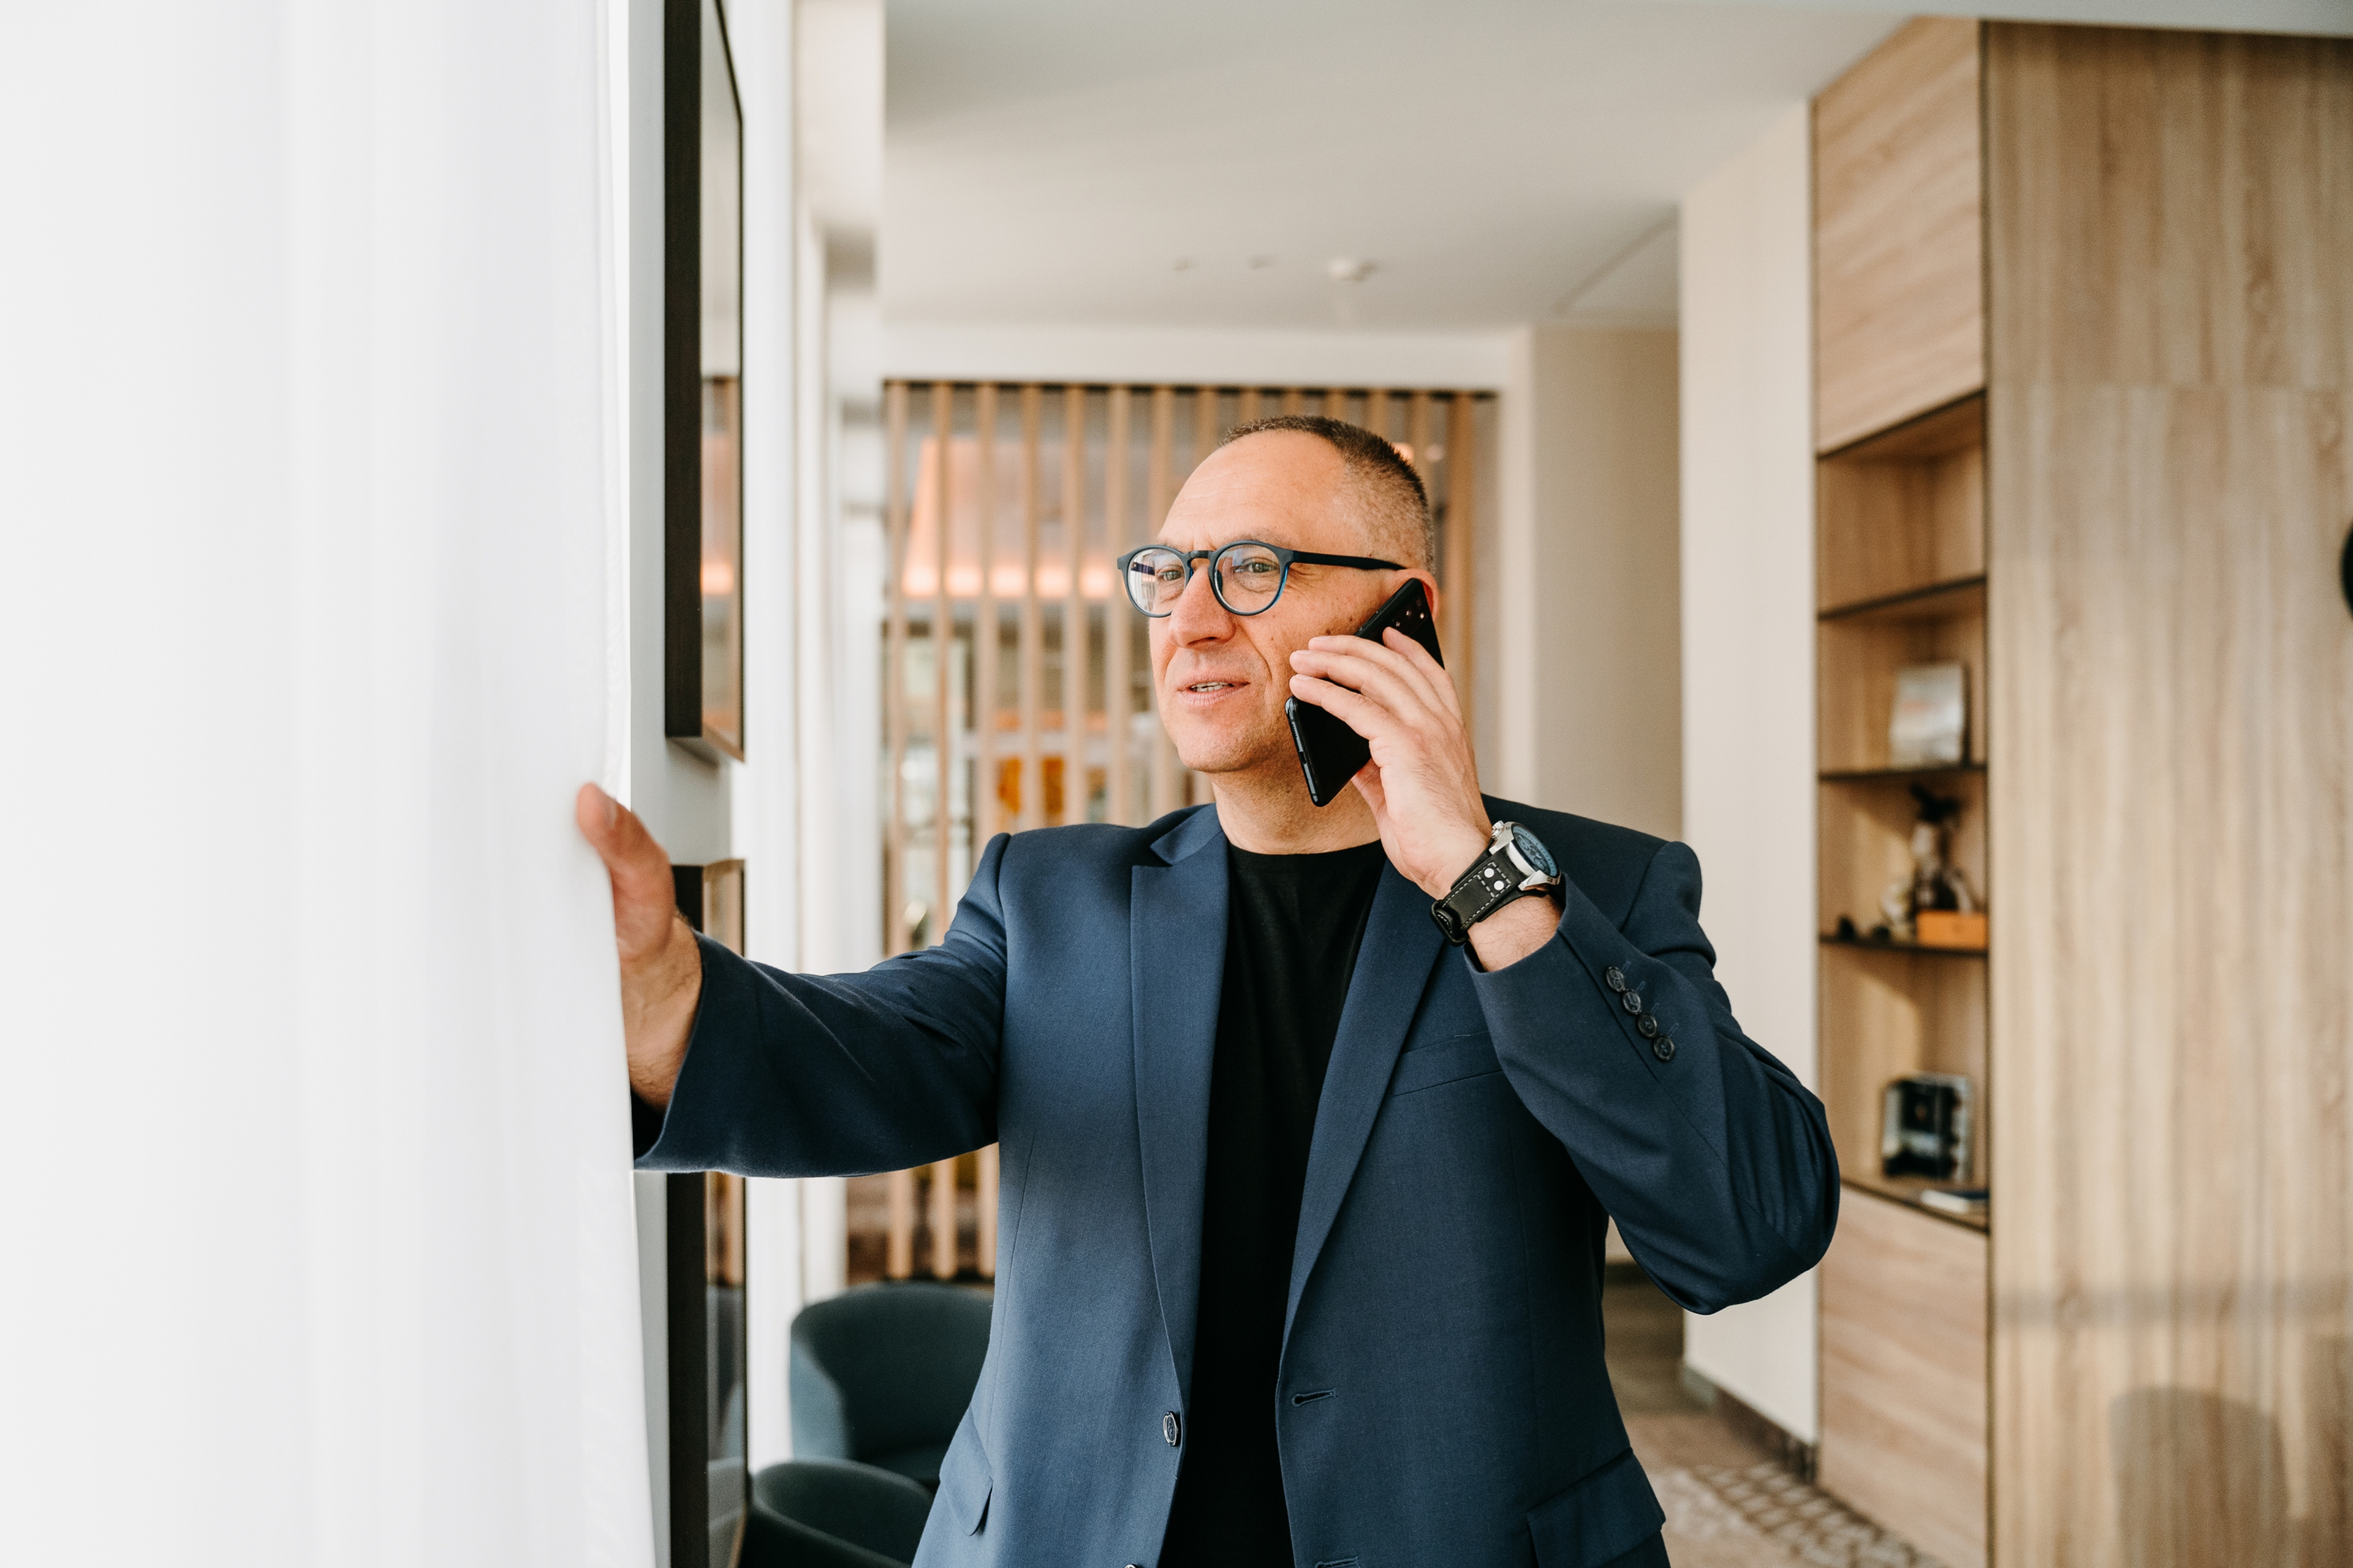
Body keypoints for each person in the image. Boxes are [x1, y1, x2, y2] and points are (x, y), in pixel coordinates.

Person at [579, 416, 1838, 1568]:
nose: (1188, 620)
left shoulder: (1586, 888)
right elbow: (866, 1054)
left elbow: (1748, 1227)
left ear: (1404, 614)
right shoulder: (1048, 896)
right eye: (1167, 573)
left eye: (1249, 570)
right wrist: (672, 1001)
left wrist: (1483, 880)